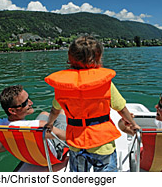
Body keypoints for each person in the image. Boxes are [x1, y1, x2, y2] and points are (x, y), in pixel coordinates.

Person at [44, 36, 140, 172]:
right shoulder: (104, 83)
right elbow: (121, 109)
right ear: (98, 57)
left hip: (76, 143)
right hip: (102, 142)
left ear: (70, 57)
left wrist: (49, 124)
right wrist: (132, 123)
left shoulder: (63, 86)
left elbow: (55, 110)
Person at [0, 85, 67, 159]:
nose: (31, 103)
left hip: (28, 158)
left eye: (28, 99)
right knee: (61, 111)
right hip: (50, 157)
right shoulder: (38, 126)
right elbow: (66, 136)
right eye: (25, 102)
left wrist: (19, 143)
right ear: (12, 111)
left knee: (44, 114)